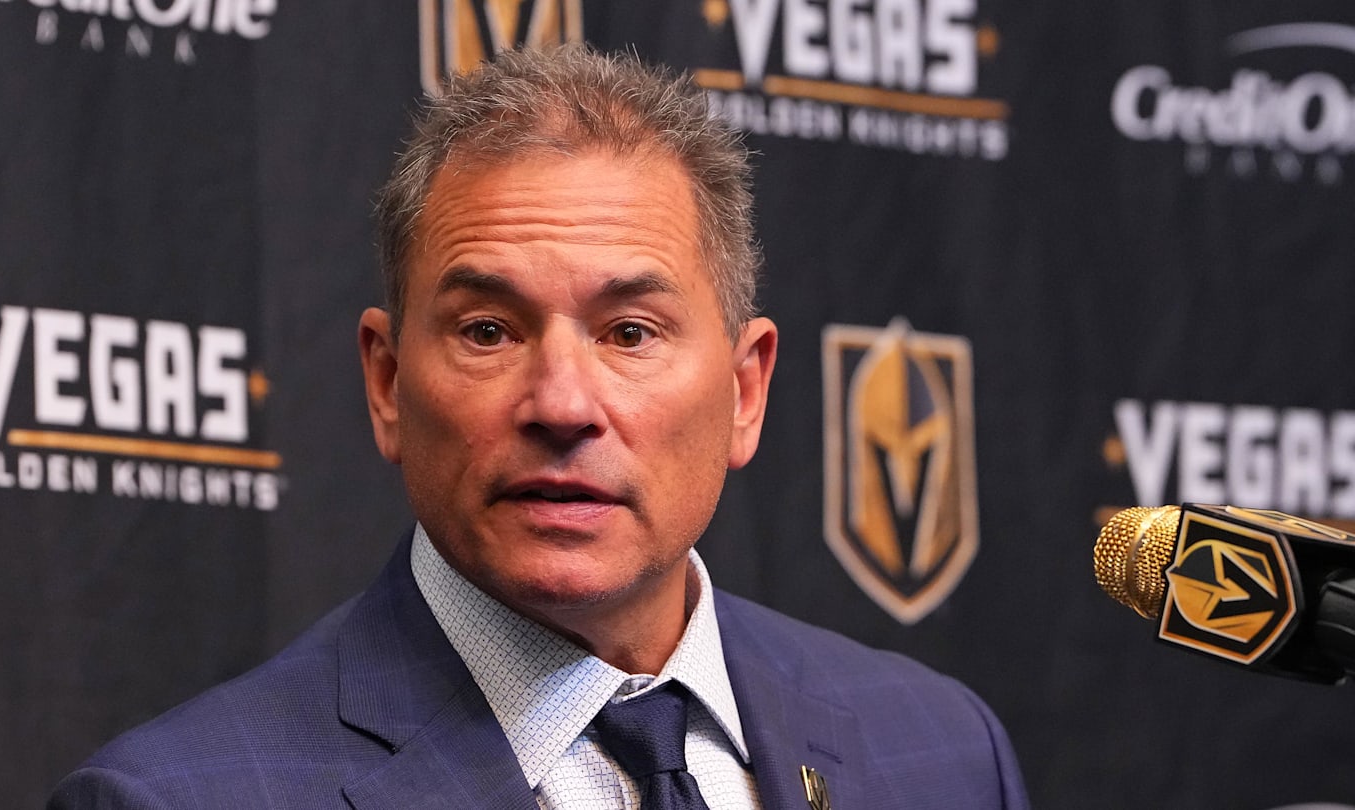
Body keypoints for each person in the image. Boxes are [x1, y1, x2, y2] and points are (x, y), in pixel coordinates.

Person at [50, 45, 1028, 809]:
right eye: (488, 330)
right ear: (388, 383)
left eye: (630, 332)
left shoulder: (943, 753)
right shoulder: (178, 798)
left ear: (745, 391)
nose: (561, 403)